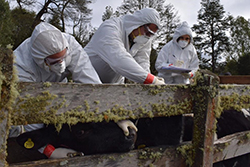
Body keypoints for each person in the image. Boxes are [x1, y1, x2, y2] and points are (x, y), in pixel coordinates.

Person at [12, 22, 137, 158]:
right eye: (54, 61)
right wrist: (48, 150)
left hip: (62, 93)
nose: (61, 64)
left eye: (64, 57)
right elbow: (30, 111)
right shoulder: (20, 67)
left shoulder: (70, 43)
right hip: (31, 100)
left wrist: (115, 116)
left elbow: (91, 84)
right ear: (41, 60)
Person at [84, 8, 165, 85]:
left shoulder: (144, 39)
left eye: (151, 35)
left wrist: (151, 81)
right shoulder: (110, 28)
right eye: (147, 32)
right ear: (138, 23)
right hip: (85, 81)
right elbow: (119, 59)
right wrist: (151, 80)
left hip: (113, 85)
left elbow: (142, 60)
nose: (148, 37)